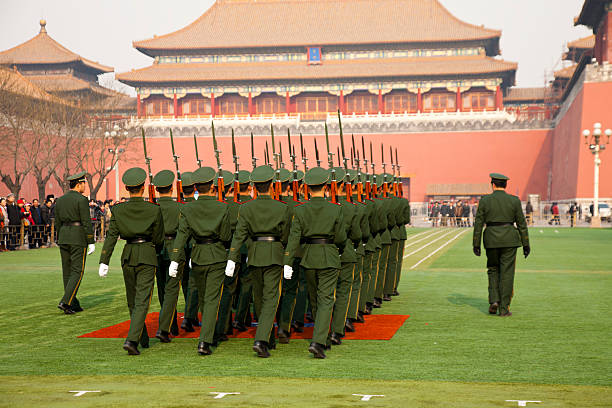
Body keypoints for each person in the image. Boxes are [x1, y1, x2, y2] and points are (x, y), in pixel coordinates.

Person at [225, 165, 292, 358]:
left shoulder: (246, 208)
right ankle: (261, 340)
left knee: (260, 298)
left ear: (254, 186)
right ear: (271, 185)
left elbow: (239, 235)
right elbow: (286, 235)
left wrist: (232, 257)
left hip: (254, 254)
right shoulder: (282, 208)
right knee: (271, 298)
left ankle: (268, 337)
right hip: (274, 253)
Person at [98, 167, 165, 355]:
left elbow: (111, 237)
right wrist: (156, 251)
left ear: (127, 188)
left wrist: (104, 260)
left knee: (132, 301)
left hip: (128, 254)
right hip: (147, 254)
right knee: (142, 301)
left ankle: (142, 338)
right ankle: (132, 339)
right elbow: (158, 237)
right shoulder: (153, 209)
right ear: (143, 187)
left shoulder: (118, 210)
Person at [283, 167, 346, 359]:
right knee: (326, 299)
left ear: (307, 188)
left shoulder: (300, 210)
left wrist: (287, 261)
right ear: (326, 187)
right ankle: (318, 342)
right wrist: (339, 251)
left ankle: (323, 337)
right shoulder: (336, 209)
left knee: (315, 299)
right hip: (328, 255)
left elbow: (294, 238)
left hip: (308, 257)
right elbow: (341, 237)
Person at [168, 166, 232, 356]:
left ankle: (210, 333)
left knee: (205, 299)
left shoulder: (188, 208)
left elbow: (182, 236)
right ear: (212, 186)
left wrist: (175, 259)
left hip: (197, 255)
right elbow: (226, 235)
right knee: (211, 300)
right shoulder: (222, 206)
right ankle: (205, 341)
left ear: (195, 186)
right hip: (217, 254)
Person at [473, 173, 530, 317]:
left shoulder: (485, 200)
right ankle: (504, 309)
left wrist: (476, 243)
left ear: (492, 185)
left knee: (493, 270)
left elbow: (478, 223)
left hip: (491, 239)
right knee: (507, 273)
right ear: (506, 185)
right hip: (510, 240)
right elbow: (522, 224)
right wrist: (526, 244)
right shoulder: (514, 200)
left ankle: (494, 301)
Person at [54, 172, 96, 314]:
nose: (85, 186)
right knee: (77, 270)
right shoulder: (82, 199)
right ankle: (66, 302)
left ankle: (73, 302)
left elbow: (58, 222)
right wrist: (90, 240)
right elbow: (86, 221)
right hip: (77, 237)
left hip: (64, 236)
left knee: (67, 271)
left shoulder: (60, 200)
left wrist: (60, 237)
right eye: (84, 183)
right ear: (79, 184)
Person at [153, 169, 184, 343]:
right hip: (174, 249)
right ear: (171, 188)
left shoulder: (153, 207)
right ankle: (165, 328)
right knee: (172, 290)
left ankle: (171, 325)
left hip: (157, 249)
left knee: (163, 289)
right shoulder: (179, 207)